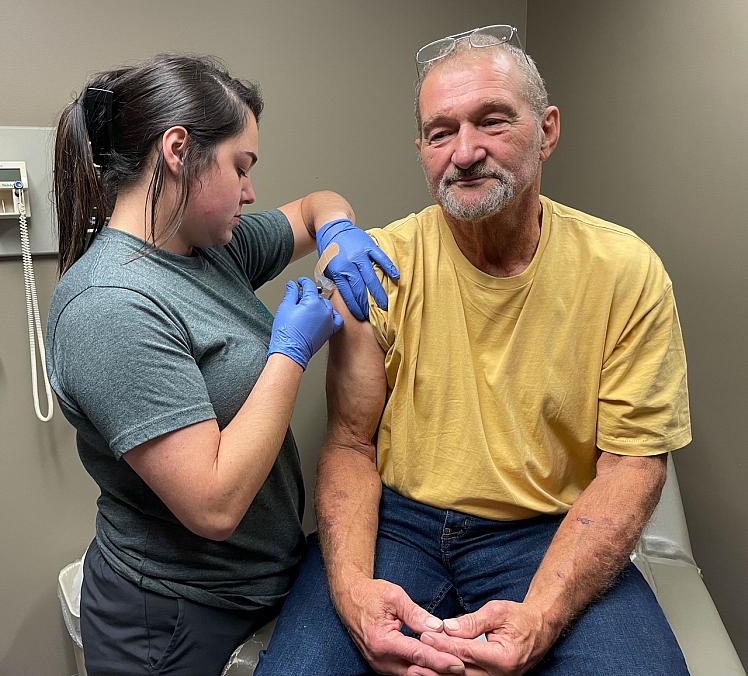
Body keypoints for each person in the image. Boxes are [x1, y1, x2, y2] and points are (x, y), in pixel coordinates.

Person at [257, 25, 691, 676]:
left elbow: (632, 466)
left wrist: (541, 615)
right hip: (400, 526)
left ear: (546, 130)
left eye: (491, 121)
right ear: (422, 148)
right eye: (440, 132)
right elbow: (349, 444)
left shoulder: (625, 272)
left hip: (546, 528)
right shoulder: (377, 266)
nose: (464, 153)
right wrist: (349, 591)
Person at [45, 54, 399, 676]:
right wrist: (289, 353)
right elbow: (212, 505)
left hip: (254, 582)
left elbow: (317, 204)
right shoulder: (111, 306)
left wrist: (339, 227)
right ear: (178, 150)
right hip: (171, 617)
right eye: (241, 167)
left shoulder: (207, 246)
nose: (250, 191)